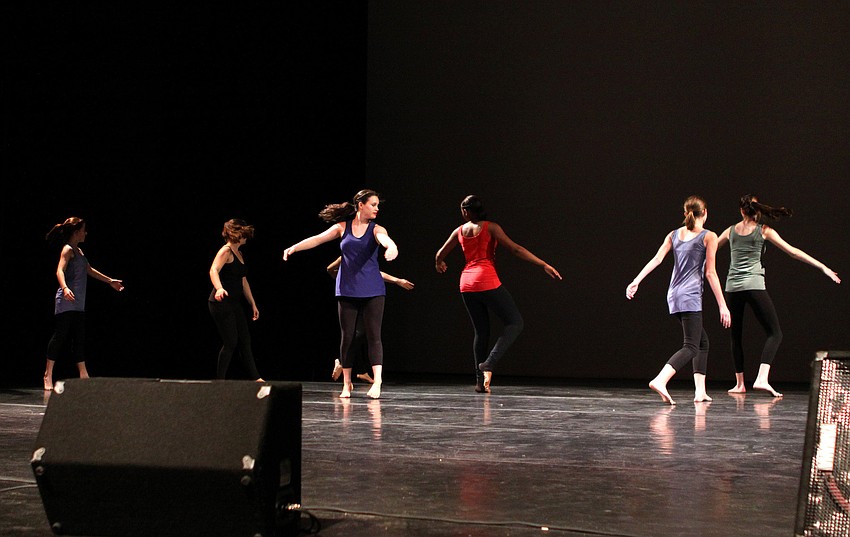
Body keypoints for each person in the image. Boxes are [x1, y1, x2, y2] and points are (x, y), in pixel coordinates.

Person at [434, 194, 562, 394]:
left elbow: (439, 253)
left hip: (466, 284)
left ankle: (479, 382)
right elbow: (516, 249)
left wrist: (439, 263)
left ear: (466, 211)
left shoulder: (459, 231)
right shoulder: (491, 227)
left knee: (481, 331)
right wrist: (543, 264)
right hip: (486, 279)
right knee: (515, 322)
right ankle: (489, 363)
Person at [717, 194, 840, 397]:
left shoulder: (730, 232)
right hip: (754, 285)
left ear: (741, 211)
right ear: (756, 210)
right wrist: (822, 267)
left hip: (732, 288)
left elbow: (709, 248)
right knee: (775, 333)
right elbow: (792, 251)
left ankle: (740, 384)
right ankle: (762, 378)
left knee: (735, 336)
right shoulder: (764, 231)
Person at [283, 189, 399, 399]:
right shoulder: (342, 228)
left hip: (373, 289)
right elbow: (317, 239)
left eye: (377, 205)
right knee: (347, 337)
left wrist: (392, 248)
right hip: (347, 288)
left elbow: (386, 240)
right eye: (373, 204)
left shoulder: (376, 229)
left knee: (374, 335)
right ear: (360, 205)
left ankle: (378, 381)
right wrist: (294, 248)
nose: (377, 208)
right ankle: (346, 383)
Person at [626, 196, 731, 405]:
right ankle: (661, 379)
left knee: (702, 342)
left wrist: (636, 281)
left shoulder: (673, 234)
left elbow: (657, 259)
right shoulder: (709, 236)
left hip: (673, 295)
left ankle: (700, 391)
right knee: (691, 346)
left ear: (685, 214)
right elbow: (711, 273)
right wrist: (723, 305)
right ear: (706, 213)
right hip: (690, 296)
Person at [43, 217, 124, 391]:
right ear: (76, 232)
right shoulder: (67, 249)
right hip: (66, 300)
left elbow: (89, 270)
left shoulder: (79, 252)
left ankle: (83, 374)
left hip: (79, 302)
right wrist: (64, 288)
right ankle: (48, 374)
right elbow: (59, 270)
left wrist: (110, 281)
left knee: (79, 338)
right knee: (60, 336)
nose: (86, 233)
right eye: (83, 230)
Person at [326, 257, 414, 388]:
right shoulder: (347, 256)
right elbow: (329, 269)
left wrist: (397, 281)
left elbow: (376, 274)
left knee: (363, 333)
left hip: (368, 297)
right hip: (351, 298)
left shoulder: (363, 258)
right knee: (353, 335)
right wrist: (339, 273)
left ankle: (357, 369)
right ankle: (347, 366)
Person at [209, 218, 264, 381]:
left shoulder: (239, 253)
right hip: (220, 303)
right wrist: (219, 288)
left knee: (245, 340)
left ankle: (256, 378)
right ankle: (219, 381)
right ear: (237, 234)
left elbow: (243, 281)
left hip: (234, 303)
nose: (246, 237)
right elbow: (213, 270)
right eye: (244, 233)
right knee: (231, 342)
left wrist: (252, 303)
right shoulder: (225, 251)